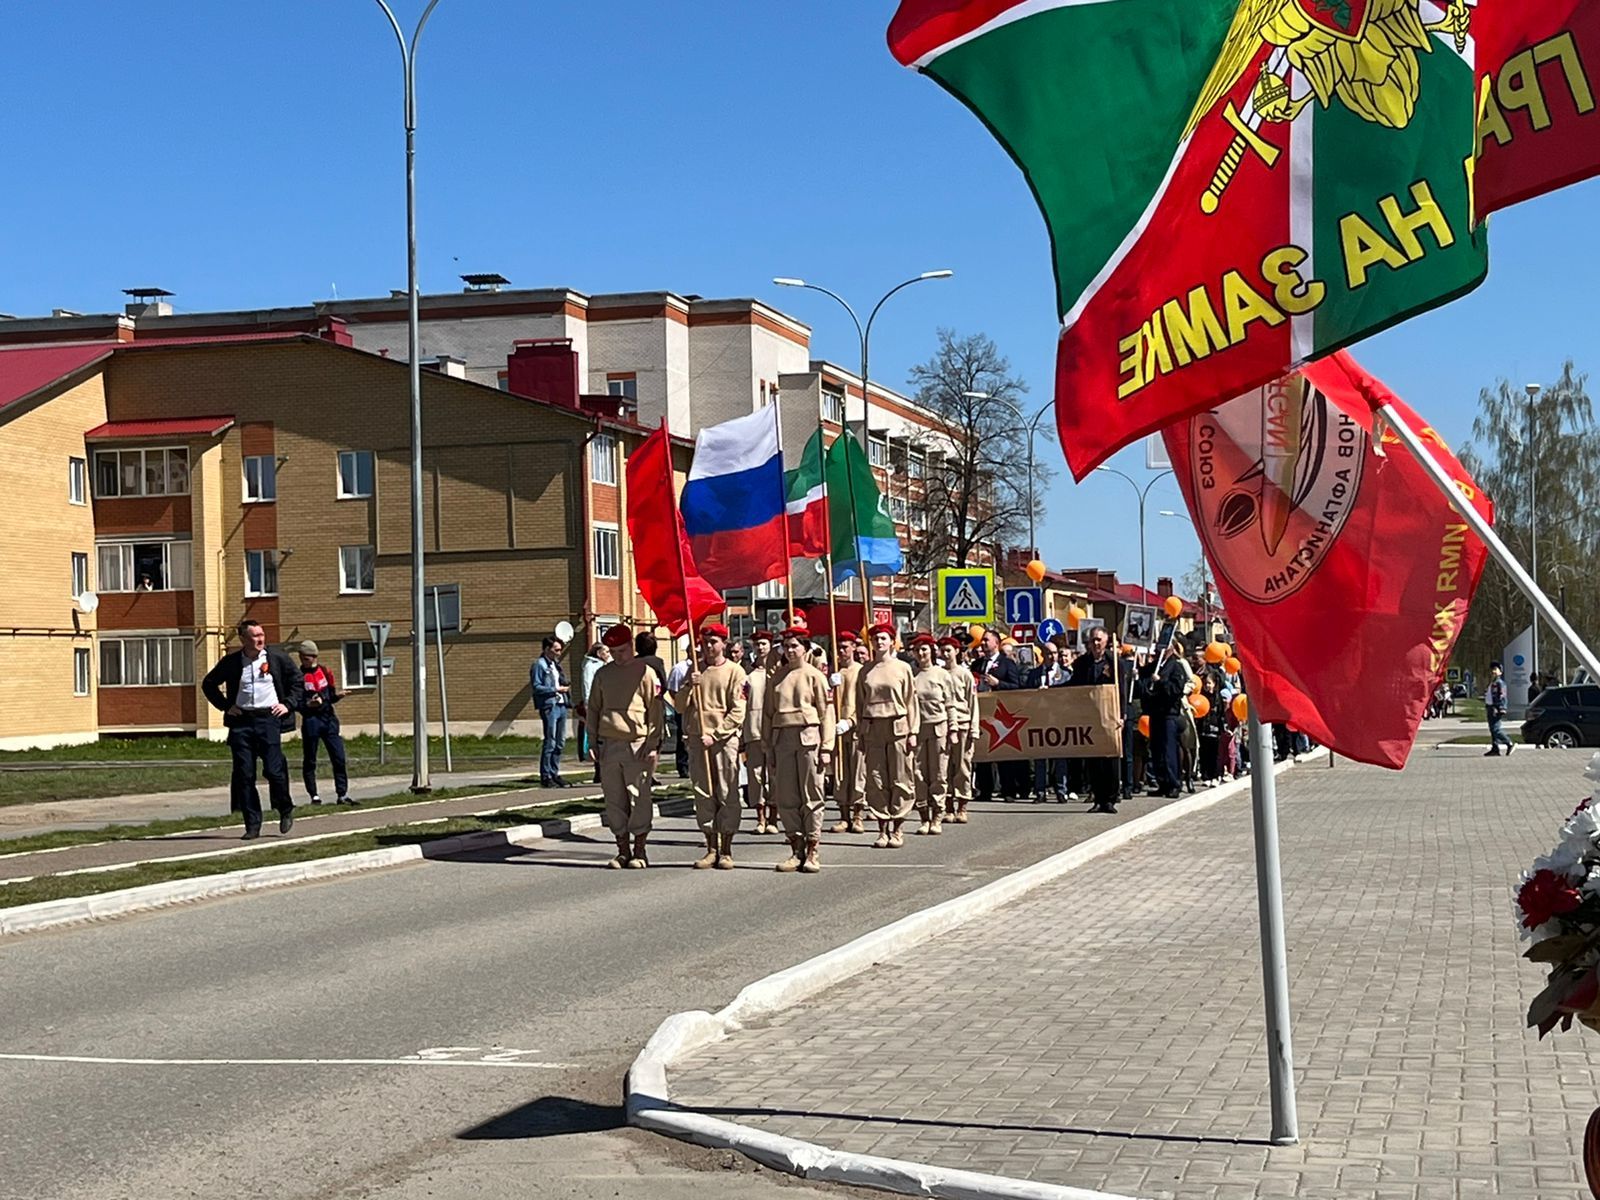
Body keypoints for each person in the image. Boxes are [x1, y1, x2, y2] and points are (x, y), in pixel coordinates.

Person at [201, 619, 304, 839]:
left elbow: (297, 682)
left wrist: (287, 704)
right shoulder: (232, 662)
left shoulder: (277, 658)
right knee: (244, 775)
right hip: (242, 723)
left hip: (268, 720)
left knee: (274, 771)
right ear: (243, 639)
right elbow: (208, 684)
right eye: (255, 636)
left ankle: (285, 807)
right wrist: (227, 707)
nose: (260, 639)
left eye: (262, 635)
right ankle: (252, 824)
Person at [586, 623, 664, 869]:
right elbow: (594, 709)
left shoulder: (645, 672)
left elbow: (656, 710)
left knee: (639, 797)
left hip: (637, 743)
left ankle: (640, 849)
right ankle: (622, 849)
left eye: (621, 650)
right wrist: (592, 740)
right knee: (614, 799)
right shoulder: (603, 674)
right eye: (613, 651)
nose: (617, 655)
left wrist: (652, 743)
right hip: (610, 743)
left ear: (631, 646)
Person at [674, 622, 747, 869]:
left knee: (726, 792)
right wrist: (688, 686)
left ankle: (726, 847)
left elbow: (738, 710)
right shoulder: (695, 671)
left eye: (713, 642)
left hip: (723, 741)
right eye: (705, 642)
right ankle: (710, 846)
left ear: (723, 644)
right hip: (697, 740)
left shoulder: (735, 672)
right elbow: (679, 706)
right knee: (703, 793)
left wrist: (716, 734)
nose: (708, 646)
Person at [765, 626, 836, 873]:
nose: (790, 650)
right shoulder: (776, 677)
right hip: (782, 739)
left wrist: (827, 746)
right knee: (787, 796)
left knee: (812, 794)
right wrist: (768, 749)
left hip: (809, 738)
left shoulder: (815, 676)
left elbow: (827, 713)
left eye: (794, 645)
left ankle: (813, 848)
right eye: (786, 646)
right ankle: (795, 847)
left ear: (805, 649)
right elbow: (767, 715)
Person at [858, 623, 920, 848]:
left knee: (900, 778)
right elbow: (859, 703)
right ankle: (882, 828)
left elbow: (911, 702)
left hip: (898, 727)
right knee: (876, 780)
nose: (879, 642)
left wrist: (913, 731)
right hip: (873, 728)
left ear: (892, 642)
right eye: (875, 639)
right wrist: (861, 734)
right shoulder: (865, 670)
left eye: (883, 638)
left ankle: (898, 827)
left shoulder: (902, 668)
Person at [1069, 627, 1123, 812]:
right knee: (1094, 760)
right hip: (1090, 716)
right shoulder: (1082, 663)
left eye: (1099, 640)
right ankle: (1098, 798)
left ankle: (1110, 798)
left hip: (1110, 716)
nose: (1096, 643)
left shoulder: (1114, 662)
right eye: (1093, 640)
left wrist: (1122, 715)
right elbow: (1073, 686)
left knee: (1110, 759)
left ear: (1106, 641)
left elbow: (1121, 690)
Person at [909, 633, 956, 836]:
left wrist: (953, 729)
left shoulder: (941, 674)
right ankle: (924, 816)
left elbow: (951, 704)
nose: (921, 653)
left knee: (938, 773)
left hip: (939, 728)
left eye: (925, 649)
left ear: (932, 651)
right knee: (918, 774)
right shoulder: (912, 676)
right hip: (918, 730)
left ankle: (938, 814)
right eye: (917, 650)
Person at [295, 640, 352, 807]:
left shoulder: (325, 672)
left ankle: (342, 794)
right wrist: (308, 705)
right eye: (306, 657)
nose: (310, 660)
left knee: (339, 757)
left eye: (313, 656)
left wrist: (338, 696)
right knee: (310, 759)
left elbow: (331, 695)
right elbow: (296, 702)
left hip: (328, 719)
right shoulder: (298, 677)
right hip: (311, 721)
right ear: (301, 657)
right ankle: (314, 795)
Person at [973, 629, 1022, 802]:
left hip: (1001, 713)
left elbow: (1016, 687)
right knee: (983, 752)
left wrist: (998, 683)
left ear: (996, 643)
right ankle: (984, 789)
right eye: (982, 641)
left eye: (987, 640)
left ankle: (1008, 789)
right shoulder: (977, 664)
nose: (983, 643)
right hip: (982, 712)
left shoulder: (1007, 664)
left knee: (1002, 751)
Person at [829, 630, 867, 835]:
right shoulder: (835, 673)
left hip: (855, 729)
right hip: (837, 729)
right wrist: (830, 686)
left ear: (853, 647)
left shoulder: (861, 671)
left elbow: (863, 702)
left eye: (845, 647)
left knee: (858, 773)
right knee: (840, 774)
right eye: (838, 647)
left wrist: (851, 721)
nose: (841, 651)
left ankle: (858, 815)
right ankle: (844, 816)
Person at [1141, 639, 1189, 799]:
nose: (1158, 650)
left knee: (1169, 750)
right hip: (1156, 712)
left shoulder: (1176, 666)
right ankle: (1162, 782)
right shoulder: (1157, 664)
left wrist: (1161, 682)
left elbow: (1176, 689)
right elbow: (1143, 673)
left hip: (1169, 713)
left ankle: (1174, 783)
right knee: (1157, 749)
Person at [940, 636, 979, 824]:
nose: (945, 654)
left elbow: (973, 703)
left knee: (963, 766)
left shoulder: (965, 674)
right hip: (943, 725)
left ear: (956, 651)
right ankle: (948, 806)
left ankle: (962, 805)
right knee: (944, 768)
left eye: (949, 650)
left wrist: (974, 729)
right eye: (942, 650)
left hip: (963, 724)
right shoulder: (938, 674)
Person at [1025, 641, 1070, 803]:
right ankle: (1040, 791)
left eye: (1055, 653)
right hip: (1040, 719)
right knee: (1040, 758)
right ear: (1043, 655)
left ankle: (1061, 790)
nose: (1052, 657)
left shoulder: (1065, 674)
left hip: (1058, 719)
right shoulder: (1034, 674)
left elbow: (1070, 696)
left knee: (1060, 757)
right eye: (1049, 653)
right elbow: (1026, 695)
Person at [742, 629, 776, 834]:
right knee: (756, 776)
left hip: (774, 732)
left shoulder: (778, 672)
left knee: (775, 775)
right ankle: (760, 817)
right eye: (757, 644)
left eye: (764, 643)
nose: (761, 647)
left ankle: (774, 817)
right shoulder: (748, 676)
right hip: (753, 730)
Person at [531, 635, 571, 788]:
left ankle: (555, 772)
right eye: (556, 650)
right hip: (549, 705)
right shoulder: (539, 665)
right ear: (547, 649)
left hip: (561, 704)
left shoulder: (555, 665)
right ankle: (546, 775)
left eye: (560, 650)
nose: (559, 653)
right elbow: (536, 686)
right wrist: (555, 689)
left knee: (560, 742)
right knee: (550, 741)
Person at [578, 641, 611, 771]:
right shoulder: (590, 667)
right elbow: (588, 685)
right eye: (606, 652)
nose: (609, 654)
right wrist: (588, 704)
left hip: (607, 702)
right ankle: (598, 768)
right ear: (599, 653)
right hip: (596, 704)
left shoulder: (606, 664)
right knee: (597, 735)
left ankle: (604, 766)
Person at [664, 646, 694, 779]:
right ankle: (683, 766)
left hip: (699, 710)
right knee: (683, 739)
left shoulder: (706, 667)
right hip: (684, 708)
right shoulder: (679, 668)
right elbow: (672, 690)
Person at [1485, 662, 1515, 757]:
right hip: (1490, 707)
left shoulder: (1500, 683)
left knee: (1496, 729)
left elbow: (1502, 696)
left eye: (1496, 669)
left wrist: (1500, 708)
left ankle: (1509, 743)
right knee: (1492, 729)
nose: (1493, 671)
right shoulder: (1493, 683)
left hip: (1496, 708)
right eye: (1492, 669)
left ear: (1500, 672)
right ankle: (1495, 748)